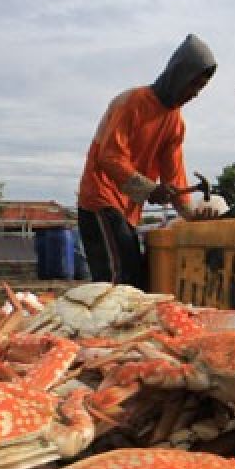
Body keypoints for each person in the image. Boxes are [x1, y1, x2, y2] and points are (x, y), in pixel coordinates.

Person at [77, 33, 217, 290]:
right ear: (179, 74)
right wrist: (150, 190)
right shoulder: (131, 103)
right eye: (193, 85)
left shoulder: (175, 122)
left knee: (137, 281)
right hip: (100, 199)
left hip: (128, 210)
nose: (195, 94)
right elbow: (109, 156)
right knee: (117, 281)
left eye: (200, 89)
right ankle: (107, 329)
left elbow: (174, 175)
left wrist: (191, 215)